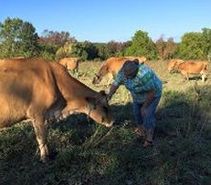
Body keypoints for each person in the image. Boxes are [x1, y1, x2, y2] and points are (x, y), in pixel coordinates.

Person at [106, 59, 162, 147]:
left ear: (136, 71)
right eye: (126, 75)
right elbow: (115, 84)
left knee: (147, 114)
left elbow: (152, 92)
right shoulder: (122, 73)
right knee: (137, 113)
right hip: (137, 96)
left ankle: (149, 139)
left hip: (152, 95)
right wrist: (109, 95)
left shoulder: (144, 75)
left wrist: (144, 107)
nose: (127, 78)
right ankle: (141, 130)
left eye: (130, 76)